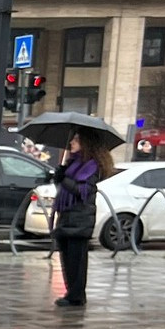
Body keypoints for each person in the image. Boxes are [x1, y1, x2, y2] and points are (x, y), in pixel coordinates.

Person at [51, 132, 114, 308]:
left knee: (76, 261)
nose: (72, 142)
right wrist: (61, 176)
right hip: (67, 216)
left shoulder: (91, 166)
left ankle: (76, 296)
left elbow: (82, 191)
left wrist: (64, 180)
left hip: (80, 219)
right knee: (67, 260)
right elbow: (66, 188)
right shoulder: (74, 164)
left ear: (86, 143)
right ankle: (71, 292)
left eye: (77, 139)